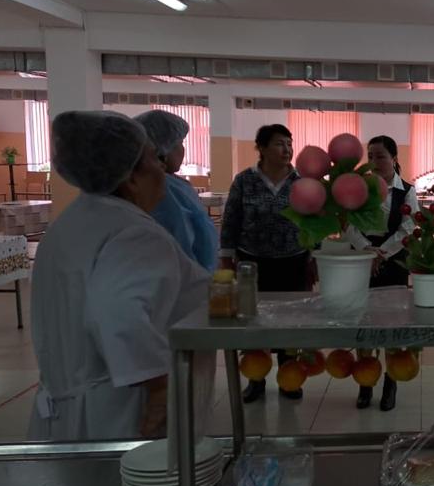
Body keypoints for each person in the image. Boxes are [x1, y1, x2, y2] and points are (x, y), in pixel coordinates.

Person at [28, 111, 208, 441]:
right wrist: (158, 387)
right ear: (131, 178)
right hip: (115, 409)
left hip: (67, 404)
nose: (162, 169)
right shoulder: (134, 234)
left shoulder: (73, 222)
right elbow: (119, 313)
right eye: (154, 159)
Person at [220, 124, 311, 403]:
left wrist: (316, 257)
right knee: (254, 321)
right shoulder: (245, 180)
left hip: (294, 262)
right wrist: (226, 257)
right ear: (261, 148)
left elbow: (313, 220)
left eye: (289, 143)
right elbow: (231, 219)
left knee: (290, 322)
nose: (287, 149)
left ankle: (289, 378)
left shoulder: (301, 181)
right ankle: (255, 379)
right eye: (279, 143)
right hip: (252, 262)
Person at [344, 135, 417, 411]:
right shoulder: (359, 188)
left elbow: (409, 227)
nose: (374, 162)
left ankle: (390, 381)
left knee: (390, 322)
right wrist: (367, 250)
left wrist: (381, 253)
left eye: (381, 156)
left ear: (394, 159)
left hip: (394, 260)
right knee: (363, 322)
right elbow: (348, 223)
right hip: (361, 258)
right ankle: (365, 382)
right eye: (371, 156)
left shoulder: (406, 190)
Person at [136, 110, 218, 271]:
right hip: (183, 276)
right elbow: (181, 243)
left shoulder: (173, 185)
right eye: (180, 143)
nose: (183, 150)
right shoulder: (163, 189)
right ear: (164, 150)